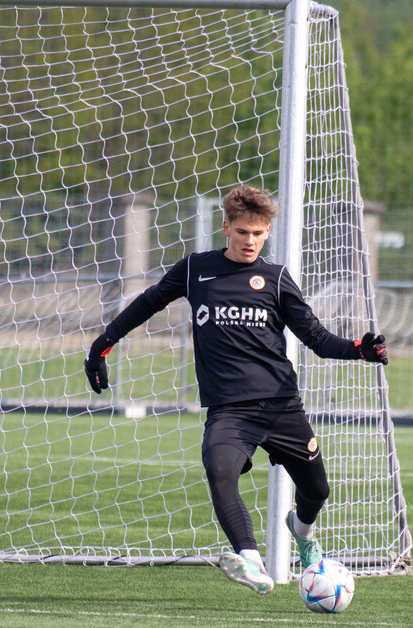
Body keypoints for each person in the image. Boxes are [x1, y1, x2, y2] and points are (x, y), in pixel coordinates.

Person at [85, 184, 388, 594]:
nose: (250, 241)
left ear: (267, 234)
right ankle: (250, 561)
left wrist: (358, 349)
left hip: (281, 407)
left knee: (317, 490)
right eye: (243, 232)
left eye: (258, 234)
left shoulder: (277, 279)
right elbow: (148, 302)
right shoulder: (196, 269)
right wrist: (102, 345)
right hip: (229, 411)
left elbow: (316, 338)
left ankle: (303, 536)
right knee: (220, 469)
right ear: (226, 227)